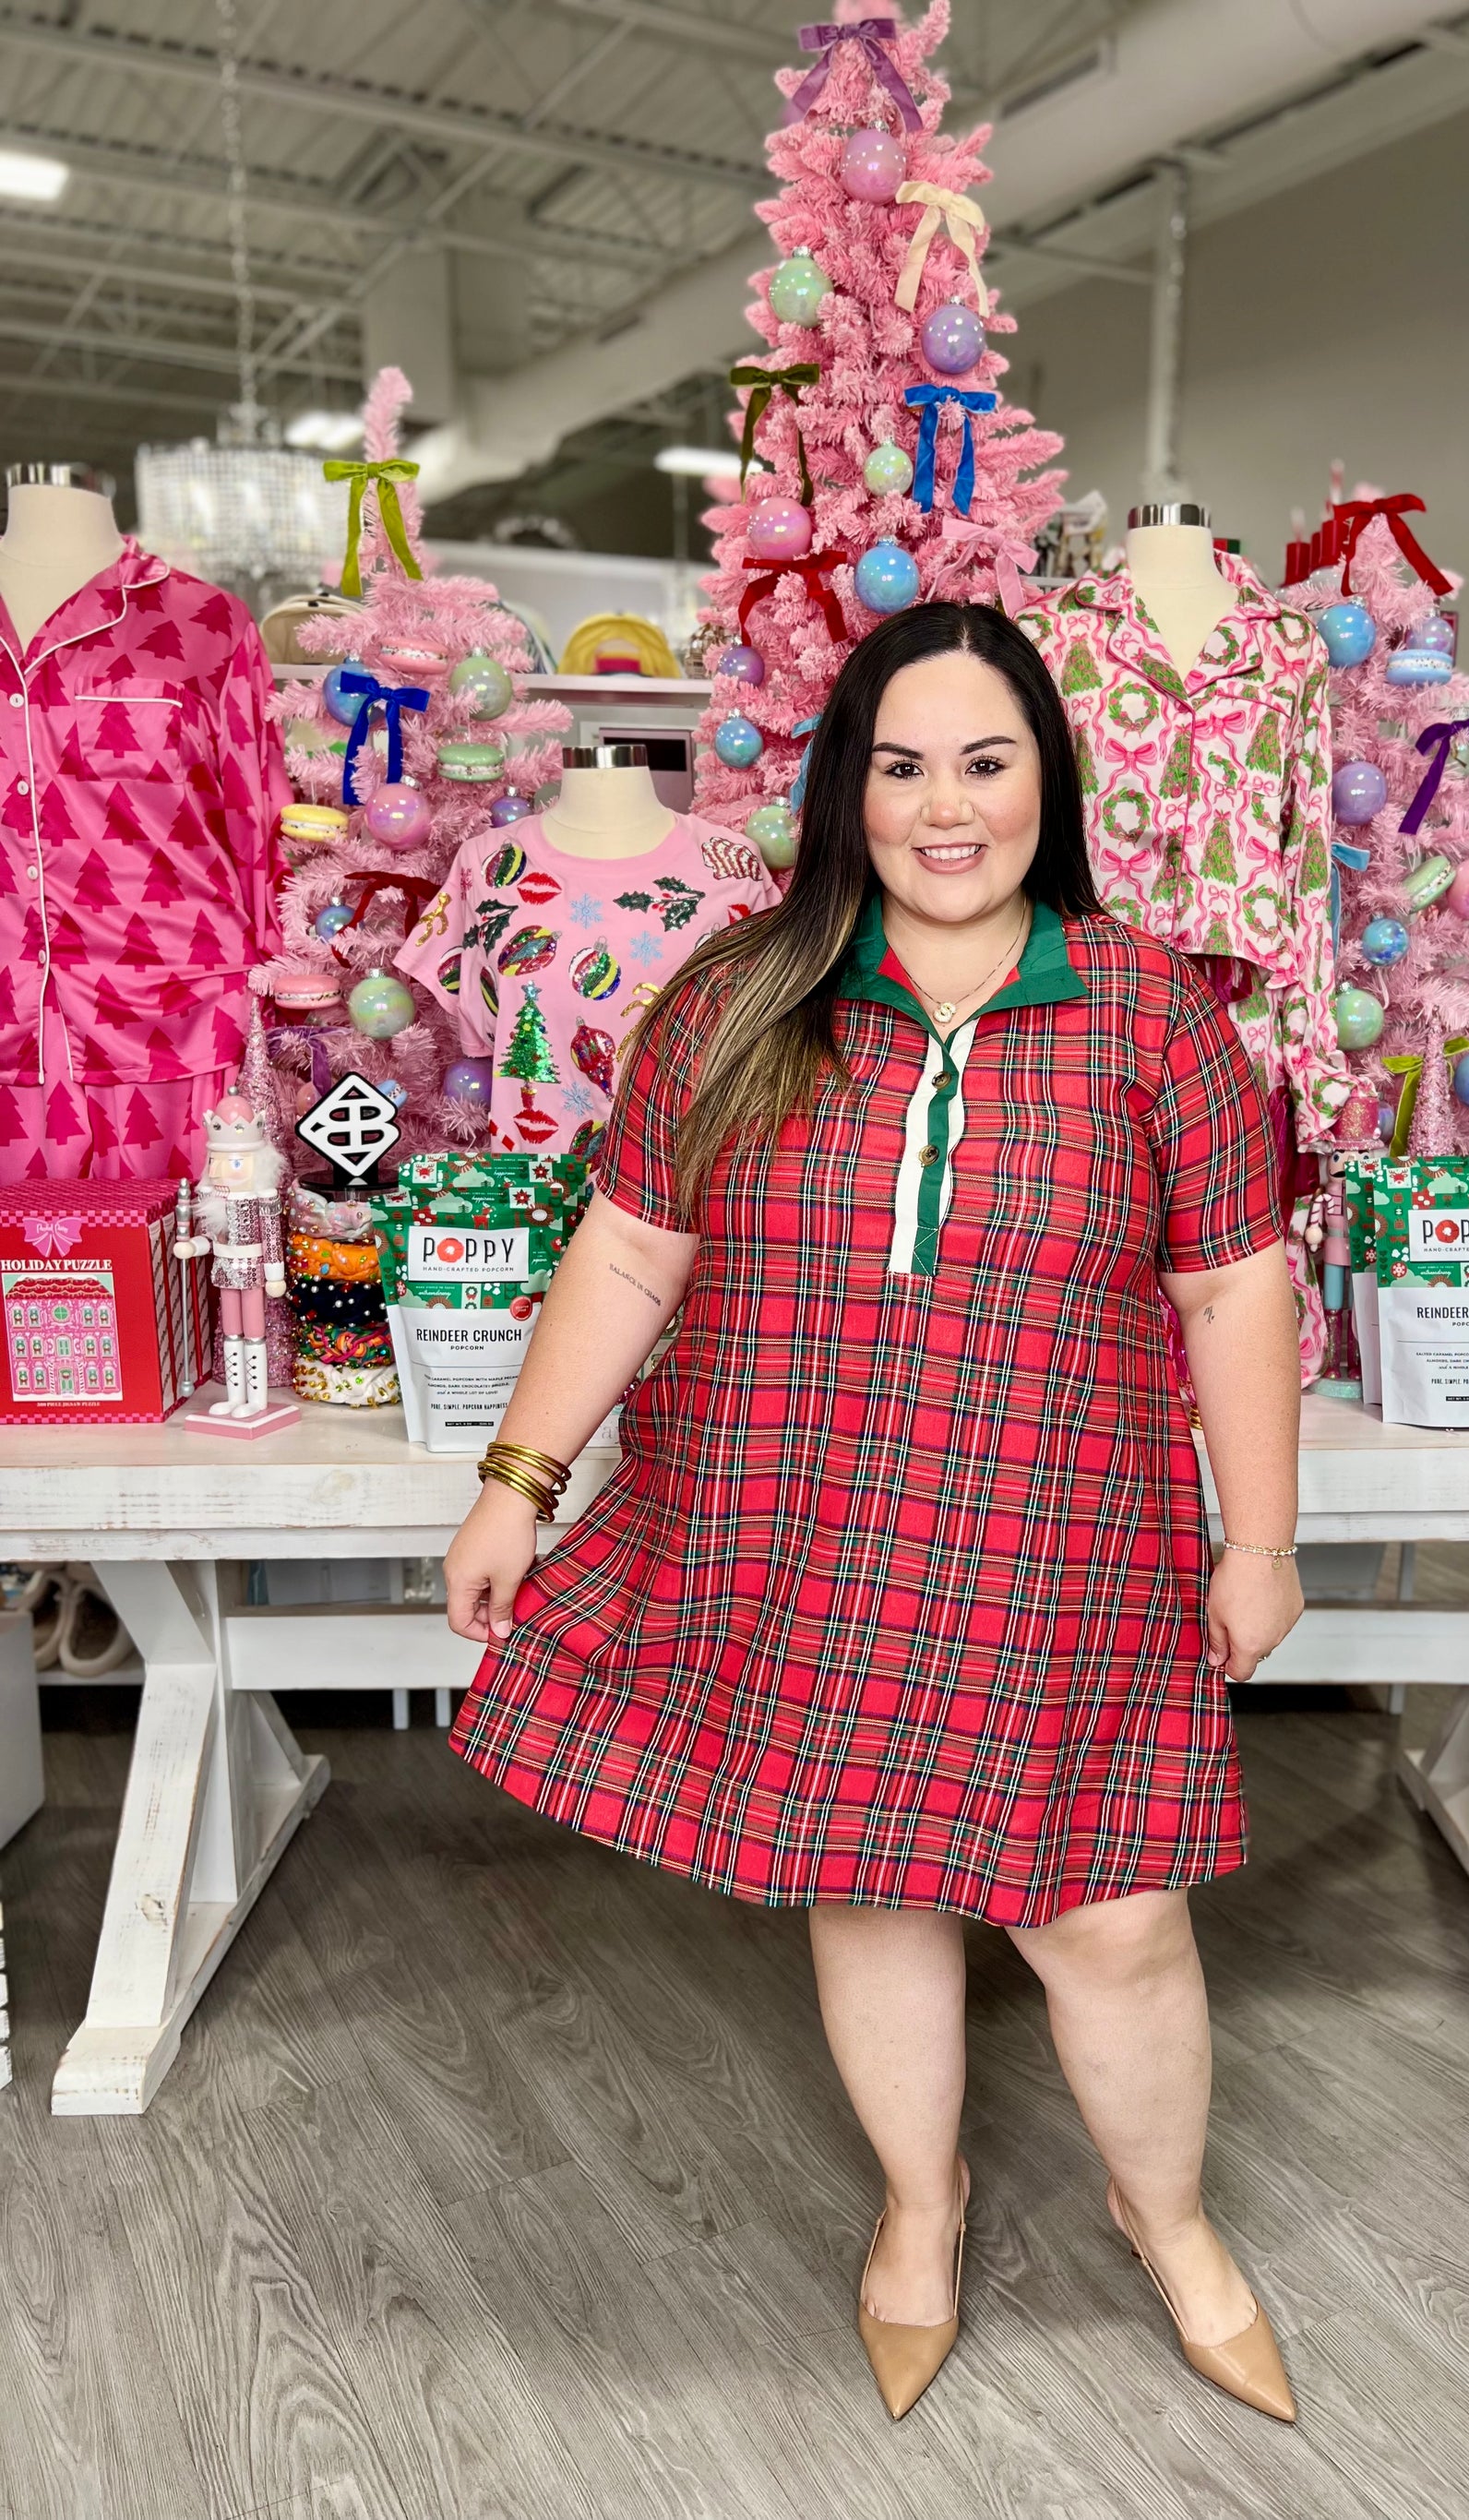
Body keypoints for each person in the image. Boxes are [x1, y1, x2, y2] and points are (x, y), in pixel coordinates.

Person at [443, 603, 1307, 2424]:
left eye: (984, 762)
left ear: (1046, 779)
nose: (943, 806)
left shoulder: (1155, 1013)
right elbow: (631, 1245)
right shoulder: (737, 995)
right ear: (847, 788)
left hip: (1065, 1543)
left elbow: (1234, 1283)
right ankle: (924, 2206)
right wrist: (518, 1478)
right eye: (901, 767)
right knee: (869, 1885)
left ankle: (1168, 2219)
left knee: (1116, 1918)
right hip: (802, 1528)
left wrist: (1259, 1540)